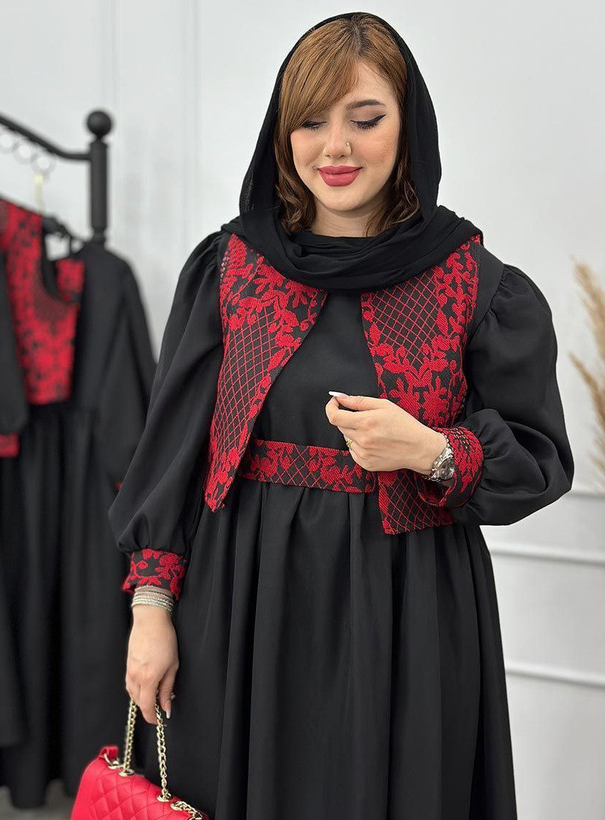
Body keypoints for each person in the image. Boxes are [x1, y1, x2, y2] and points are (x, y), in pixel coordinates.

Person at [108, 11, 574, 820]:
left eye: (365, 119)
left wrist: (430, 449)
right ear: (282, 133)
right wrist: (151, 611)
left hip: (407, 611)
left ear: (408, 126)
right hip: (239, 601)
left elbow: (539, 459)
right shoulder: (229, 269)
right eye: (311, 122)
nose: (335, 148)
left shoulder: (477, 285)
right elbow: (172, 456)